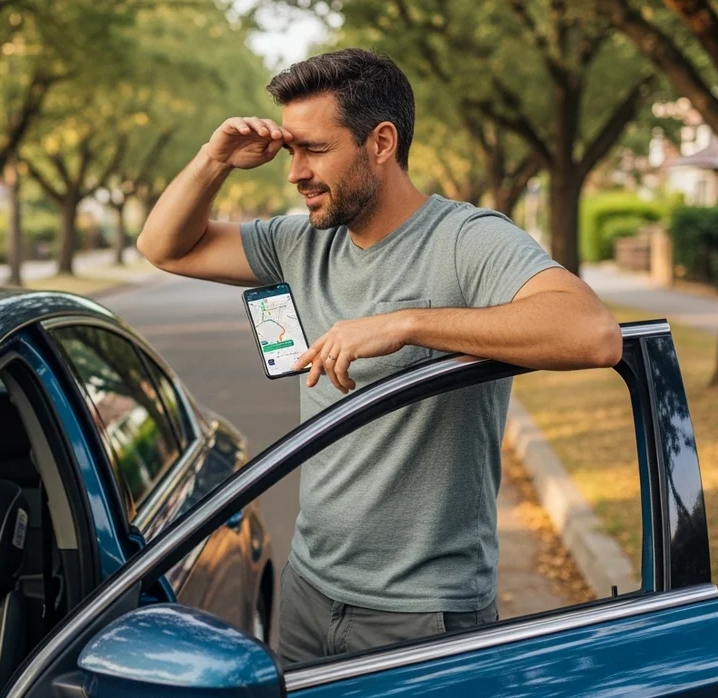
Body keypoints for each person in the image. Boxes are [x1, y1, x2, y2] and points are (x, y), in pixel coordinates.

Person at [136, 48, 622, 663]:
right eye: (291, 152)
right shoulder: (298, 242)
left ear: (382, 143)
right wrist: (214, 161)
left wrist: (406, 324)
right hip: (311, 588)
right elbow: (164, 248)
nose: (294, 173)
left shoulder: (466, 239)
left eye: (314, 150)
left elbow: (592, 333)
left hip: (425, 612)